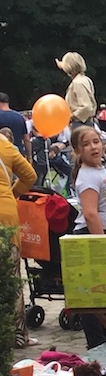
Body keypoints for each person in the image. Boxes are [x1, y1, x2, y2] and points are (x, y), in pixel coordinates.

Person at [69, 125, 106, 348]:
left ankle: (105, 339)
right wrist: (101, 244)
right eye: (86, 144)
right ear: (78, 151)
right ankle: (97, 343)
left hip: (103, 233)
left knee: (102, 292)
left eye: (96, 141)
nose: (93, 147)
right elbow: (90, 213)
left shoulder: (100, 169)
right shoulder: (87, 176)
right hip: (91, 236)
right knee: (94, 294)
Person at [0, 133, 37, 348]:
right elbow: (30, 176)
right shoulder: (5, 145)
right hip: (5, 214)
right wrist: (11, 194)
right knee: (12, 279)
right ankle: (19, 337)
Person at [58, 52, 96, 126]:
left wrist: (70, 116)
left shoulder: (78, 83)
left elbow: (86, 107)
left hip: (81, 124)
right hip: (86, 122)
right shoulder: (85, 79)